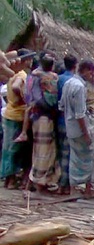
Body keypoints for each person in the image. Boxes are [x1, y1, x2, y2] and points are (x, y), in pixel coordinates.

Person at [59, 59, 94, 197]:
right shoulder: (80, 87)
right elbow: (80, 114)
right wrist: (86, 133)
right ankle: (86, 190)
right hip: (79, 127)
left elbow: (61, 105)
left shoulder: (68, 83)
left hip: (70, 126)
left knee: (74, 158)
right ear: (85, 70)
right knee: (87, 158)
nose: (91, 75)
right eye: (90, 72)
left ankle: (74, 188)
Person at [28, 55, 61, 194]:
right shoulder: (52, 77)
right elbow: (39, 97)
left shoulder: (35, 76)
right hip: (45, 117)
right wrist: (51, 109)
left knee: (45, 150)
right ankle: (40, 182)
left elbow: (35, 97)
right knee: (44, 151)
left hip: (43, 116)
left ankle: (42, 181)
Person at [1, 49, 33, 190]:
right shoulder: (21, 75)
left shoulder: (12, 74)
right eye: (29, 59)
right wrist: (23, 99)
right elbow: (15, 87)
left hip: (9, 113)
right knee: (15, 149)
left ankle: (8, 179)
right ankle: (11, 179)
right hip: (18, 115)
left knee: (8, 148)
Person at [56, 54, 78, 194]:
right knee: (69, 154)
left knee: (60, 153)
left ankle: (61, 184)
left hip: (58, 120)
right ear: (75, 65)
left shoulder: (57, 79)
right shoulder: (74, 82)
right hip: (70, 122)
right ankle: (66, 184)